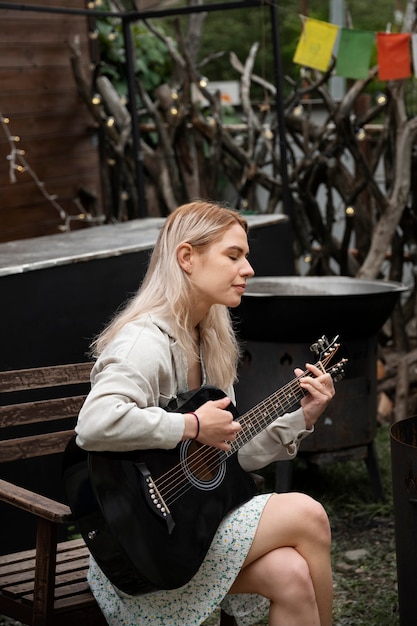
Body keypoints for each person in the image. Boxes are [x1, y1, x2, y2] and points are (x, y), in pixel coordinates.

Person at [75, 200, 335, 626]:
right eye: (234, 256)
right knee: (309, 514)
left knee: (292, 575)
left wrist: (301, 419)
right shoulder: (144, 341)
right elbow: (94, 424)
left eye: (245, 256)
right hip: (142, 545)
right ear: (187, 258)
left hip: (189, 531)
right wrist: (191, 425)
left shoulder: (209, 341)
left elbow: (225, 463)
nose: (248, 268)